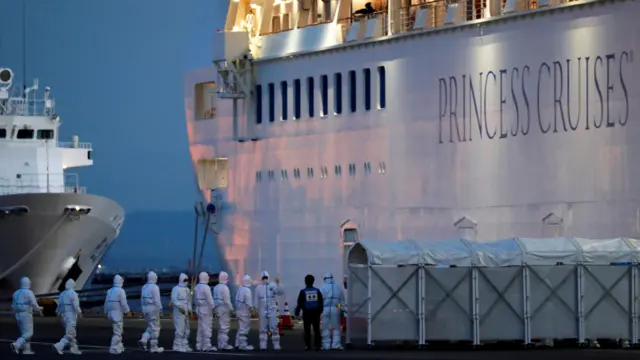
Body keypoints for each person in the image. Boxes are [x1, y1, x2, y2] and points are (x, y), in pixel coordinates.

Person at [10, 277, 43, 354]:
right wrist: (39, 309)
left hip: (17, 314)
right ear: (28, 283)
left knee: (23, 333)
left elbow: (13, 305)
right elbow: (34, 304)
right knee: (29, 333)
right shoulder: (29, 292)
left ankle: (26, 349)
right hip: (26, 314)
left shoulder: (16, 293)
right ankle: (17, 344)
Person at [255, 270, 284, 351]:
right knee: (262, 328)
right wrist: (255, 308)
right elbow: (256, 299)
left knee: (274, 327)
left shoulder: (273, 285)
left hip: (272, 308)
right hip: (262, 308)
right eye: (263, 277)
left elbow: (280, 292)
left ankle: (276, 345)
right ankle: (263, 345)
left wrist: (278, 284)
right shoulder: (258, 287)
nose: (265, 279)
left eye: (266, 277)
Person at [53, 279, 83, 355]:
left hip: (64, 315)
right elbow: (76, 305)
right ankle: (59, 345)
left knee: (72, 333)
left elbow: (59, 306)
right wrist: (80, 313)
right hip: (71, 315)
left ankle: (74, 349)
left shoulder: (62, 294)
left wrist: (58, 314)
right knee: (70, 334)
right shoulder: (73, 293)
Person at [295, 274, 323, 351]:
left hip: (307, 313)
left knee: (307, 330)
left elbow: (300, 302)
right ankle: (317, 346)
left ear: (305, 282)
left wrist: (297, 312)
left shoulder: (303, 291)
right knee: (316, 330)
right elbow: (321, 302)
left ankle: (308, 346)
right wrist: (320, 311)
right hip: (316, 313)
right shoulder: (317, 291)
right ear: (313, 282)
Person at [138, 271, 164, 353]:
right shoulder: (155, 287)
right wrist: (160, 309)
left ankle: (143, 340)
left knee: (150, 326)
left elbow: (141, 299)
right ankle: (154, 347)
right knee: (156, 328)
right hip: (153, 308)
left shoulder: (144, 287)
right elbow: (157, 300)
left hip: (145, 308)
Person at [104, 274, 130, 354]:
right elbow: (123, 303)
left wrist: (105, 312)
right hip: (117, 314)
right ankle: (113, 348)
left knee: (116, 330)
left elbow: (106, 303)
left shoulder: (109, 291)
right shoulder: (121, 291)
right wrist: (127, 311)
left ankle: (119, 346)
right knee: (118, 331)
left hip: (110, 313)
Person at [319, 272, 345, 350]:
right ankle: (336, 344)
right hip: (335, 309)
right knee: (336, 328)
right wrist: (340, 308)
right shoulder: (338, 287)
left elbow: (319, 300)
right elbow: (342, 301)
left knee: (325, 327)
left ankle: (326, 345)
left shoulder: (322, 287)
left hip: (325, 309)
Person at [194, 272, 216, 352]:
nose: (208, 278)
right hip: (206, 309)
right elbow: (210, 299)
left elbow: (195, 300)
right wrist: (213, 307)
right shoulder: (206, 287)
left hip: (199, 309)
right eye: (207, 277)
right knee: (207, 327)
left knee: (200, 328)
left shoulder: (196, 287)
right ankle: (207, 345)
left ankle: (199, 345)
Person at [171, 273, 193, 352]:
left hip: (186, 310)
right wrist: (180, 307)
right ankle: (177, 346)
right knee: (180, 329)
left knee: (187, 329)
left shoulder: (187, 289)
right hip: (179, 312)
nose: (186, 281)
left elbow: (189, 301)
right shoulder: (175, 289)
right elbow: (174, 299)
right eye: (185, 280)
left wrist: (190, 310)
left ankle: (184, 345)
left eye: (187, 280)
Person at [213, 271, 234, 350]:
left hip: (217, 308)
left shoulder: (216, 287)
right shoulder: (225, 288)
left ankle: (220, 343)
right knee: (224, 327)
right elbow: (227, 300)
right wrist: (232, 309)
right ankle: (224, 344)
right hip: (224, 308)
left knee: (220, 327)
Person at [234, 274, 254, 351]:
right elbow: (248, 304)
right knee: (244, 329)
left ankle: (237, 343)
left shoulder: (240, 289)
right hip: (244, 312)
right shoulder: (247, 291)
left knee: (240, 328)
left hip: (239, 311)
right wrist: (252, 311)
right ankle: (243, 345)